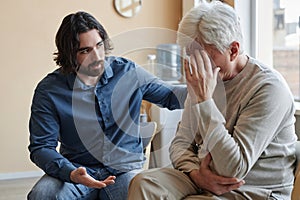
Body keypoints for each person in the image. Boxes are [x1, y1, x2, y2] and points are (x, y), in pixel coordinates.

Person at [128, 1, 297, 199]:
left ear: (233, 50)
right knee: (143, 183)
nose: (196, 66)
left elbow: (234, 168)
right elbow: (181, 143)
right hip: (202, 179)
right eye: (191, 55)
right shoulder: (204, 79)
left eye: (204, 57)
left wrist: (204, 100)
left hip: (250, 190)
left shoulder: (268, 89)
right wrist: (196, 175)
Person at [27, 11, 187, 200]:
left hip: (124, 170)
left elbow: (171, 97)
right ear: (69, 54)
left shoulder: (128, 72)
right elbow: (41, 146)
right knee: (42, 195)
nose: (97, 56)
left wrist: (206, 85)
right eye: (85, 51)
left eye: (99, 45)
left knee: (140, 192)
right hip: (77, 171)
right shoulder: (49, 90)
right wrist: (71, 173)